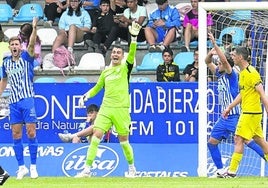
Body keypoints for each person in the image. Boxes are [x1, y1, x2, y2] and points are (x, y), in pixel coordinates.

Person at [75, 21, 142, 178]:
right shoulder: (106, 72)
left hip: (121, 109)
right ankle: (86, 170)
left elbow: (132, 54)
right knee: (96, 136)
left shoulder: (126, 68)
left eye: (119, 53)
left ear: (122, 56)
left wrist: (133, 38)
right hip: (106, 109)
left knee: (124, 141)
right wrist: (86, 95)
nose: (116, 54)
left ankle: (132, 168)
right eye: (114, 52)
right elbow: (97, 88)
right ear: (111, 55)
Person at [206, 33, 265, 178]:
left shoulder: (232, 75)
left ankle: (234, 171)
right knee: (212, 142)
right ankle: (221, 170)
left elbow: (225, 61)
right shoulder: (219, 74)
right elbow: (207, 61)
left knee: (246, 140)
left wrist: (215, 44)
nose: (218, 64)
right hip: (225, 117)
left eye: (219, 63)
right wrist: (211, 52)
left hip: (237, 116)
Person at [0, 18, 39, 180]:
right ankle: (21, 167)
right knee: (16, 134)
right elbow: (4, 80)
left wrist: (35, 28)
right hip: (13, 102)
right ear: (9, 47)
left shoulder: (26, 58)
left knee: (31, 132)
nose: (15, 47)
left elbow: (31, 46)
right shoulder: (6, 63)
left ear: (20, 46)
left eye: (17, 44)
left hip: (27, 99)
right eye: (12, 45)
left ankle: (33, 167)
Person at [222, 46, 268, 178]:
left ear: (240, 57)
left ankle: (232, 171)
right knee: (261, 141)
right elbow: (243, 94)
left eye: (234, 55)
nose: (232, 57)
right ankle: (232, 171)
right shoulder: (242, 73)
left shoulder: (252, 73)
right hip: (249, 112)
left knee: (238, 138)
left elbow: (262, 93)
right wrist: (229, 107)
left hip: (251, 112)